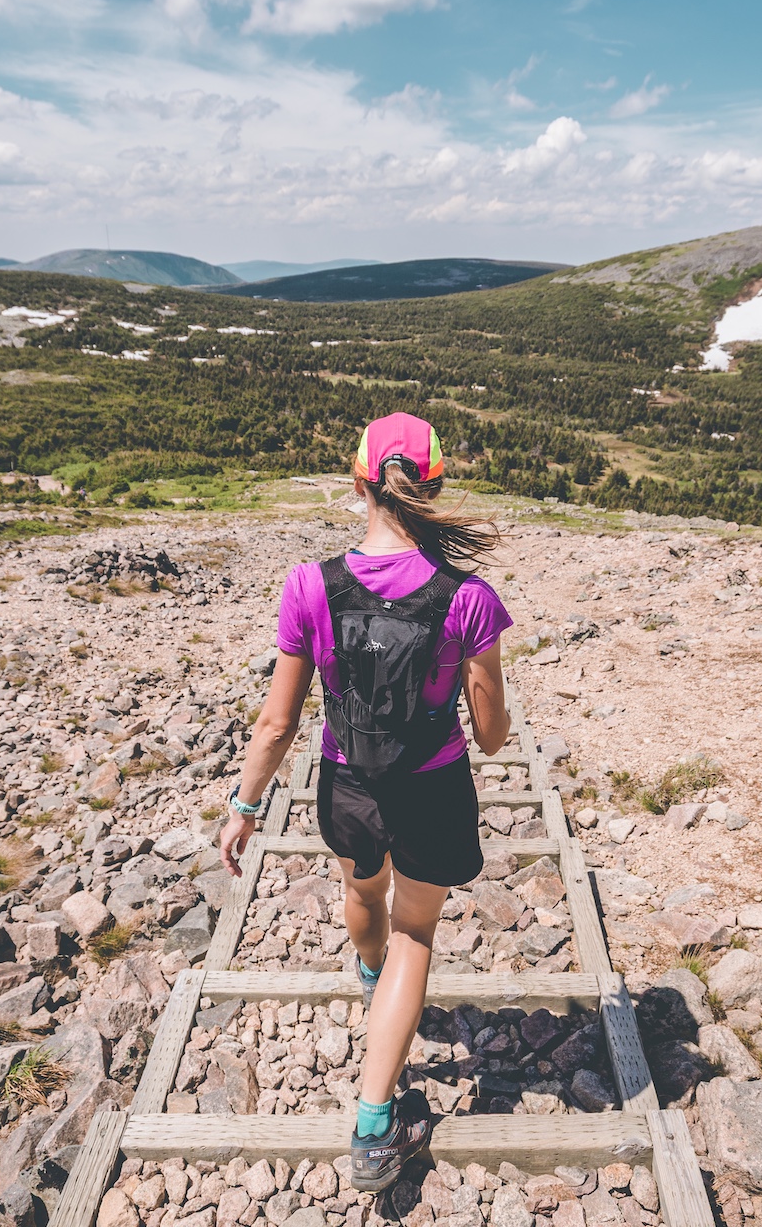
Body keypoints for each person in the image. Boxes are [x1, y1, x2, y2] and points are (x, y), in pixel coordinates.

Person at [219, 411, 512, 1192]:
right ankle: (375, 1125)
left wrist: (244, 808)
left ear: (360, 484)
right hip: (433, 786)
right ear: (436, 483)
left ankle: (366, 974)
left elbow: (278, 721)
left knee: (361, 887)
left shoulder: (310, 584)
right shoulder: (468, 597)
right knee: (418, 929)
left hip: (347, 785)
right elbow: (489, 736)